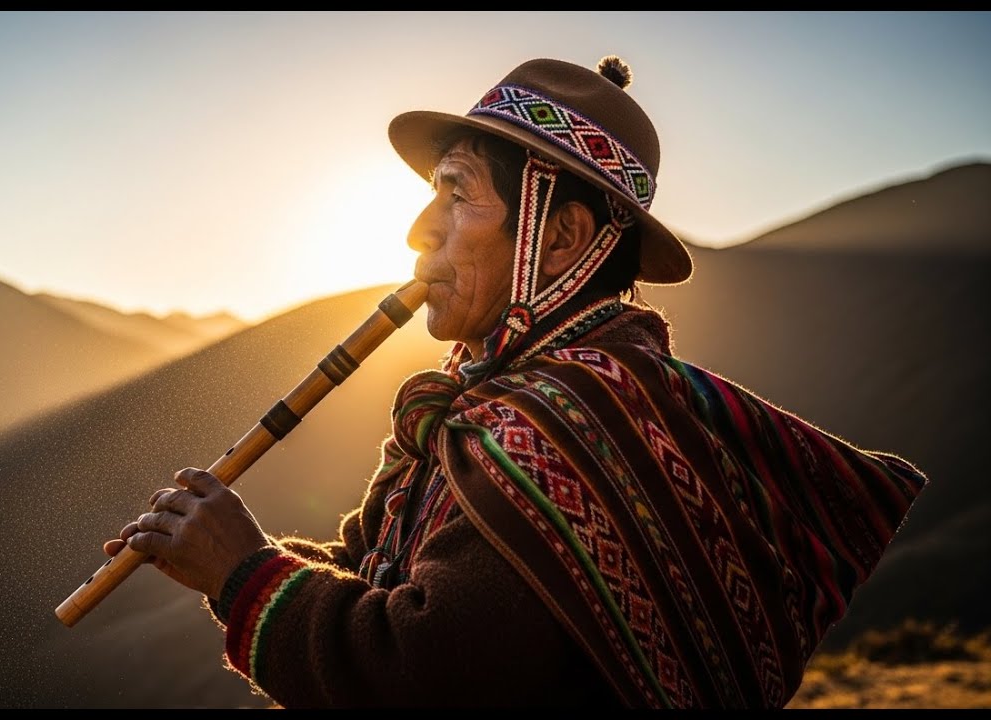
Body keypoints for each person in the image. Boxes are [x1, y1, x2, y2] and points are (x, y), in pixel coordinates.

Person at [103, 56, 928, 709]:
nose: (419, 229)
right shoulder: (496, 408)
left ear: (560, 236)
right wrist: (223, 552)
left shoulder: (564, 426)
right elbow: (379, 576)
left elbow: (421, 672)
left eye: (457, 193)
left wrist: (244, 572)